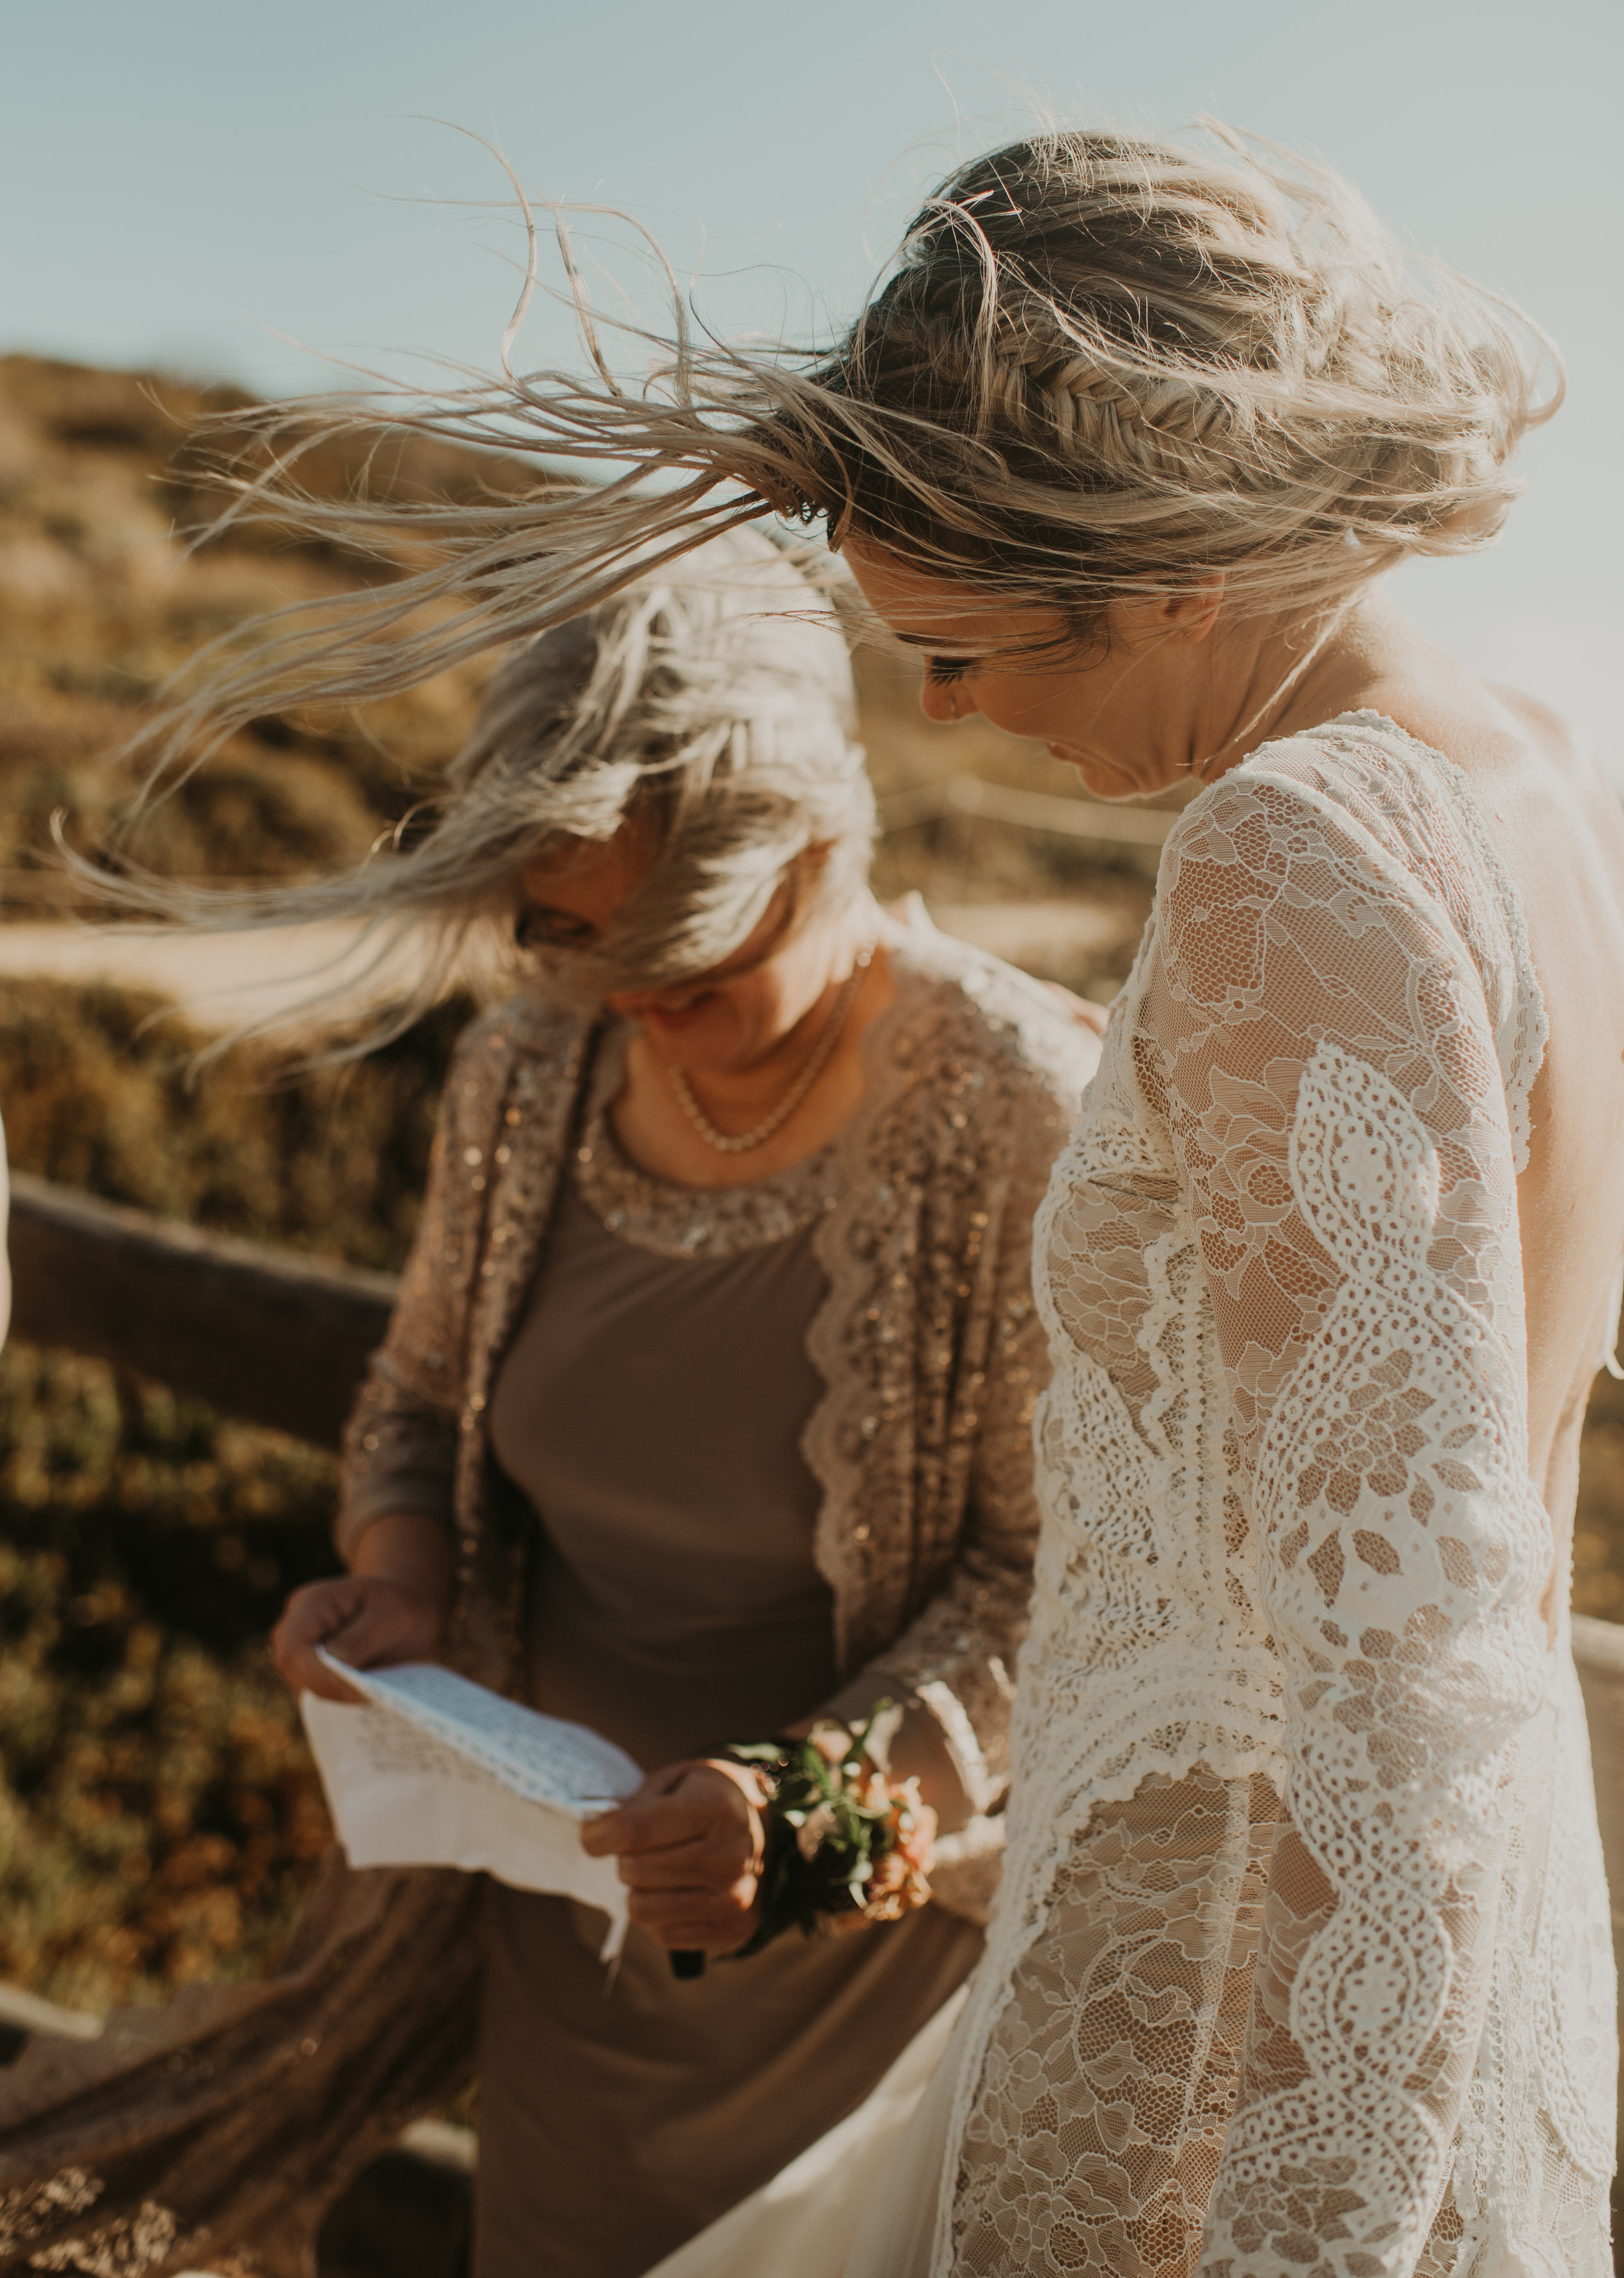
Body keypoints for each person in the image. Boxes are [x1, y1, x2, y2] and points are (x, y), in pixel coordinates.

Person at [106, 118, 1617, 2275]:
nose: (943, 708)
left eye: (973, 643)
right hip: (1348, 1966)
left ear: (1162, 554)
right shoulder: (1528, 771)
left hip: (1235, 2044)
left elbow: (1393, 1682)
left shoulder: (1293, 845)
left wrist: (1321, 2227)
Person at [0, 538, 1098, 2278]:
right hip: (556, 1950)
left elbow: (1065, 1579)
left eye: (688, 943)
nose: (632, 999)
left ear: (821, 836)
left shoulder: (1024, 1111)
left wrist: (800, 1812)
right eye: (576, 938)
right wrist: (403, 1568)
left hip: (865, 1998)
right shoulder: (532, 1066)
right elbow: (421, 1391)